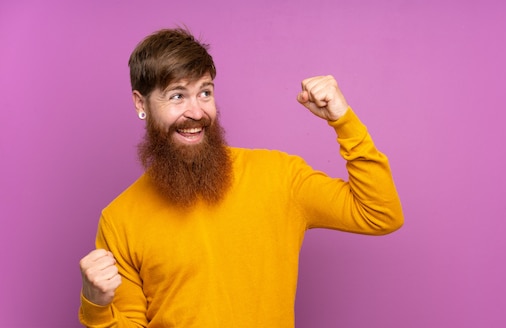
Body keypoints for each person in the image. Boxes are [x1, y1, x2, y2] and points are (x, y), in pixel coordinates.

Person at [78, 27, 403, 327]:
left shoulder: (279, 177)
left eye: (205, 92)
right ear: (141, 103)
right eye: (177, 96)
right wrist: (96, 305)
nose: (196, 111)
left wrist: (343, 121)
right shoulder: (119, 220)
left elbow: (380, 213)